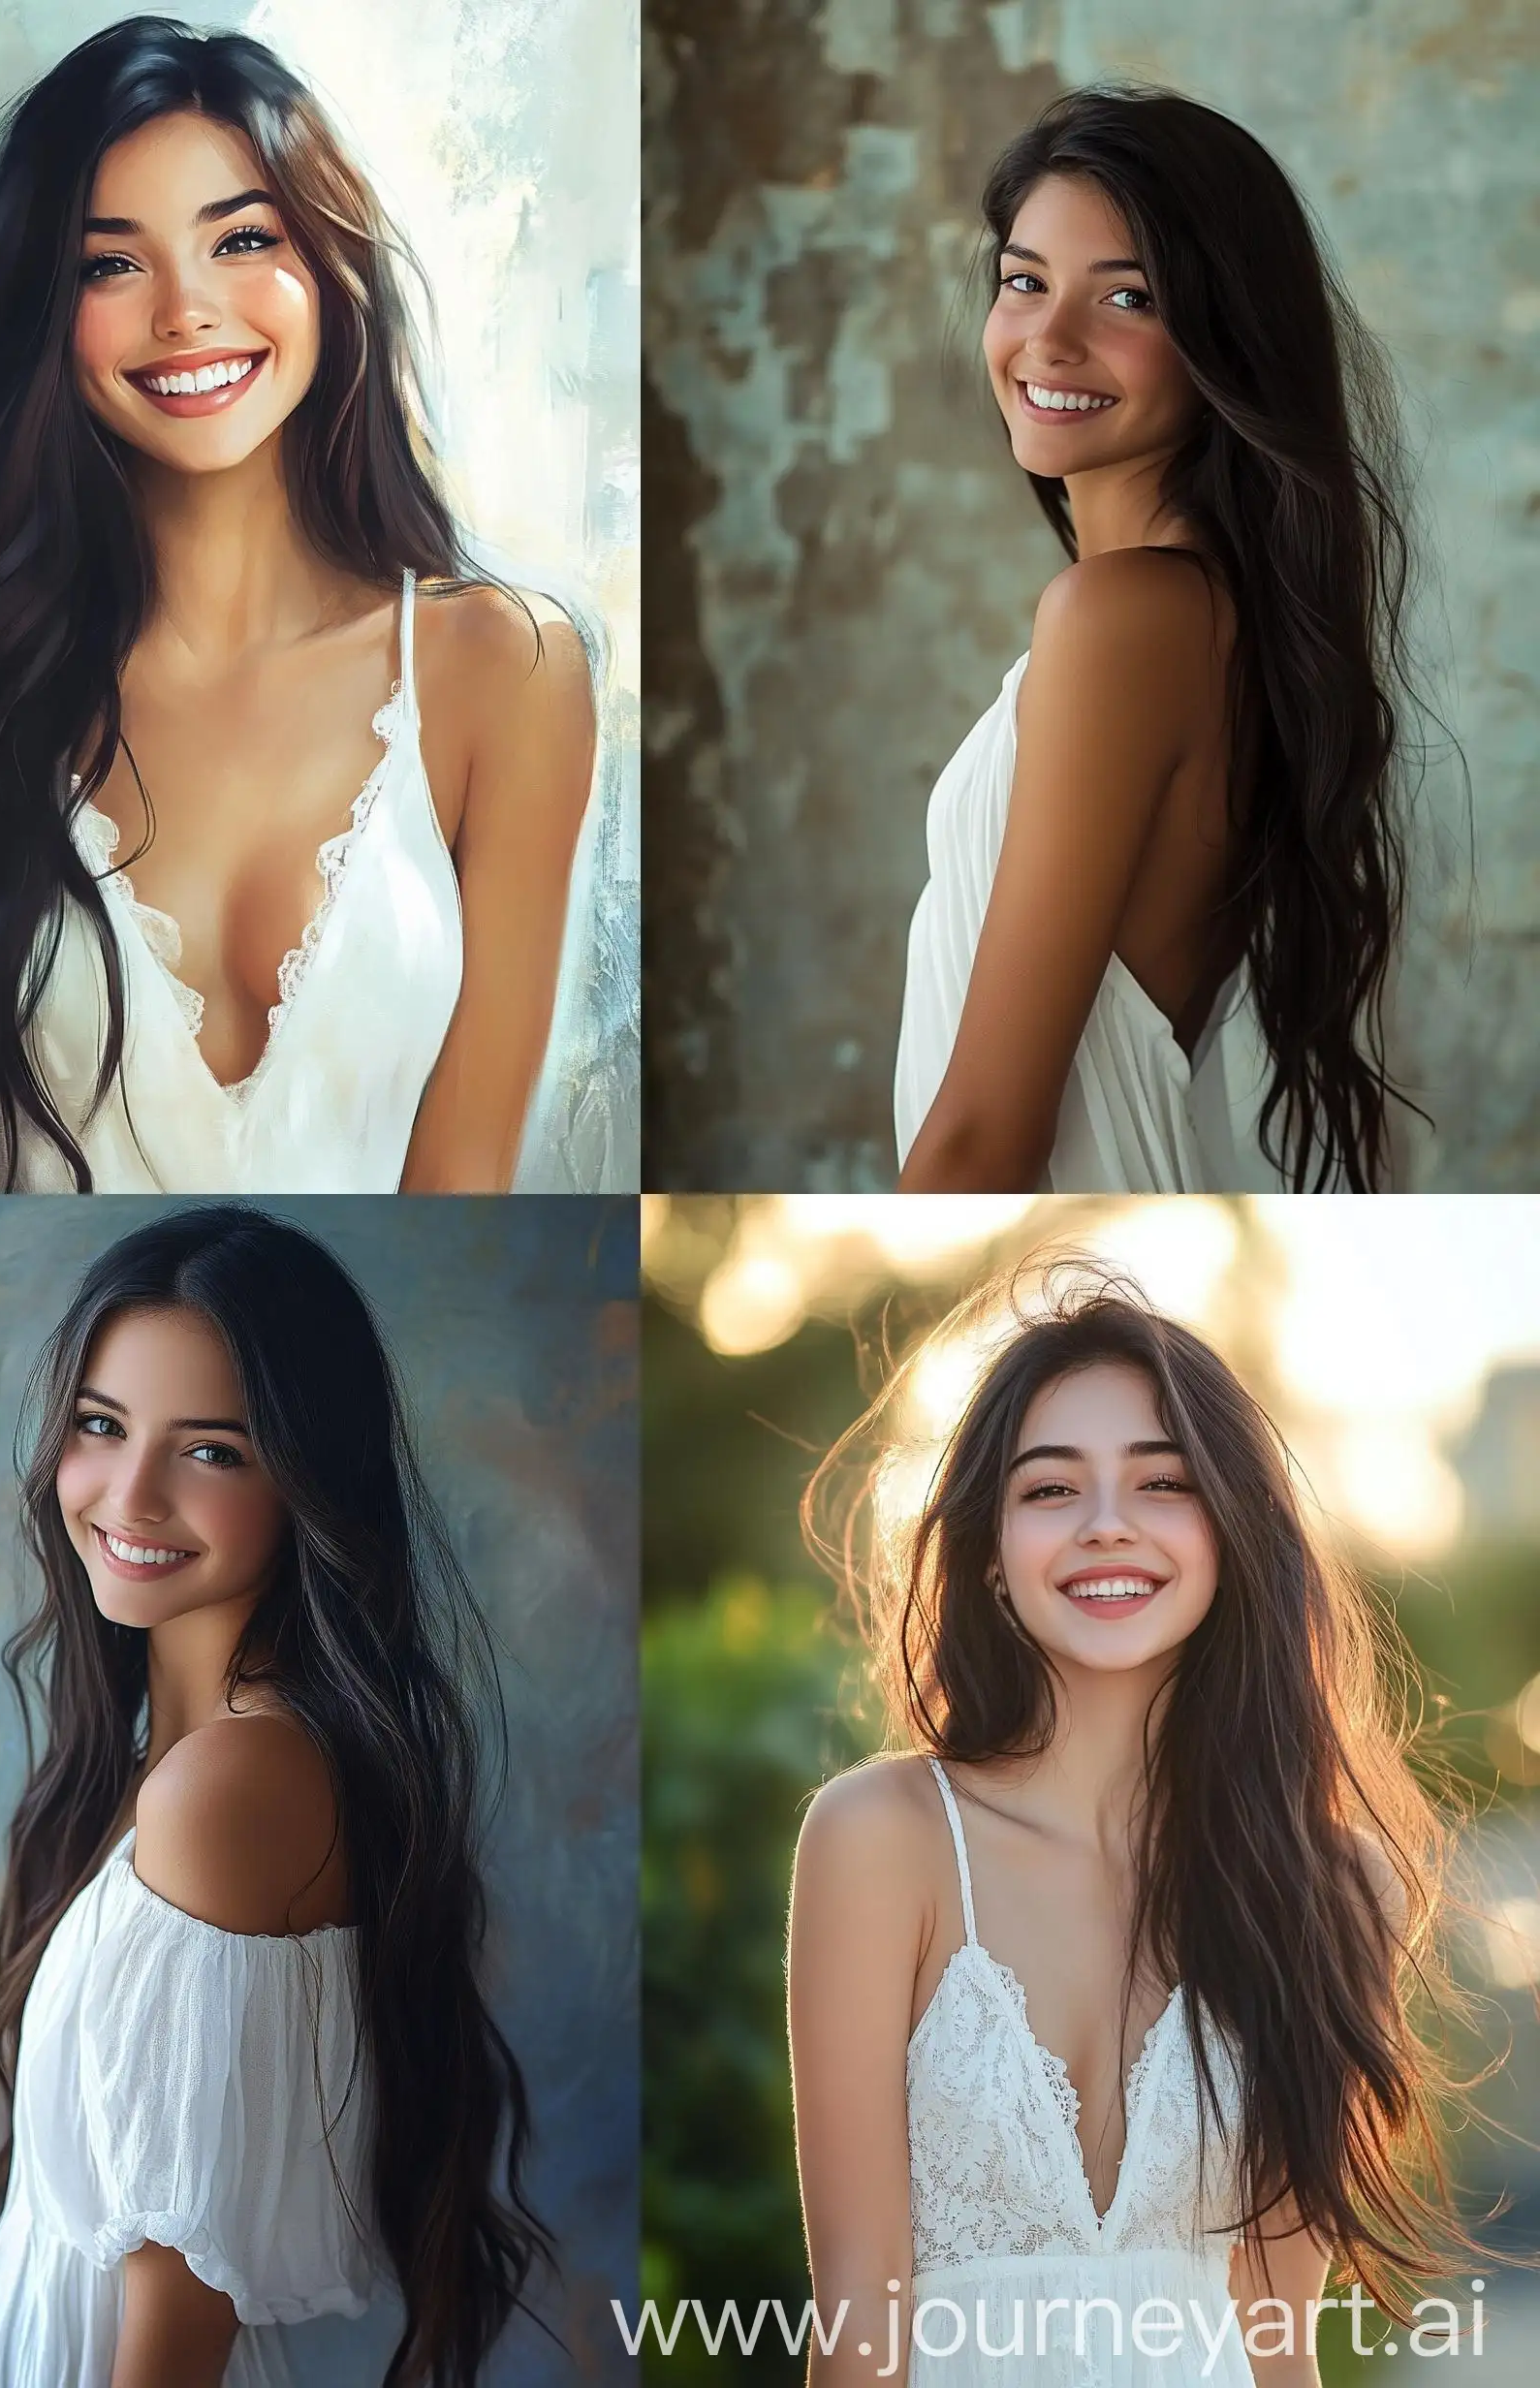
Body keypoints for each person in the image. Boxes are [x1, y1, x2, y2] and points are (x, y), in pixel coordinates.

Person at [0, 16, 596, 1194]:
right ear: (40, 307)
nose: (184, 311)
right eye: (111, 262)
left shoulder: (505, 671)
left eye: (242, 239)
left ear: (327, 266)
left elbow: (464, 1201)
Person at [790, 1267, 1488, 2385]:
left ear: (1229, 1530)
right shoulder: (882, 1836)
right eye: (1050, 1490)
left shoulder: (1334, 1890)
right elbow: (854, 2314)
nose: (1106, 1526)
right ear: (988, 1555)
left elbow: (1277, 2345)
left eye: (1162, 1482)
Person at [0, 1205, 551, 2386]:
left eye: (211, 1449)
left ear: (306, 1482)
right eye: (100, 1426)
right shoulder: (164, 1763)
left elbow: (178, 2316)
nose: (129, 1493)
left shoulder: (231, 1784)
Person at [895, 88, 1428, 1195]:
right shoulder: (1203, 618)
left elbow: (984, 1132)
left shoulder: (1121, 622)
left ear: (1222, 337)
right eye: (1023, 281)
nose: (1048, 338)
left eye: (1126, 297)